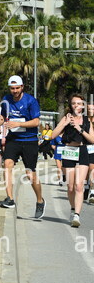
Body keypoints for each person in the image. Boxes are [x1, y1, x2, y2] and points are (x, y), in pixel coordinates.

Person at [0, 75, 45, 219]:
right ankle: (10, 199)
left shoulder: (31, 101)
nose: (15, 91)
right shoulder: (6, 99)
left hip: (29, 140)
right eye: (12, 88)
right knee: (7, 164)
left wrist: (18, 124)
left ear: (22, 87)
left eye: (17, 88)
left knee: (30, 173)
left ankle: (40, 201)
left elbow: (36, 122)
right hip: (13, 139)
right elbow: (3, 116)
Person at [50, 94, 94, 227]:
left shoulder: (86, 120)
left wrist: (80, 129)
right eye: (74, 103)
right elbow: (53, 135)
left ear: (83, 105)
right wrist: (64, 124)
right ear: (70, 105)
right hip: (69, 151)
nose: (76, 106)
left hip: (82, 151)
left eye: (79, 103)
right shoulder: (66, 118)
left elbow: (92, 139)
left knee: (79, 185)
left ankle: (77, 215)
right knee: (70, 187)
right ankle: (73, 208)